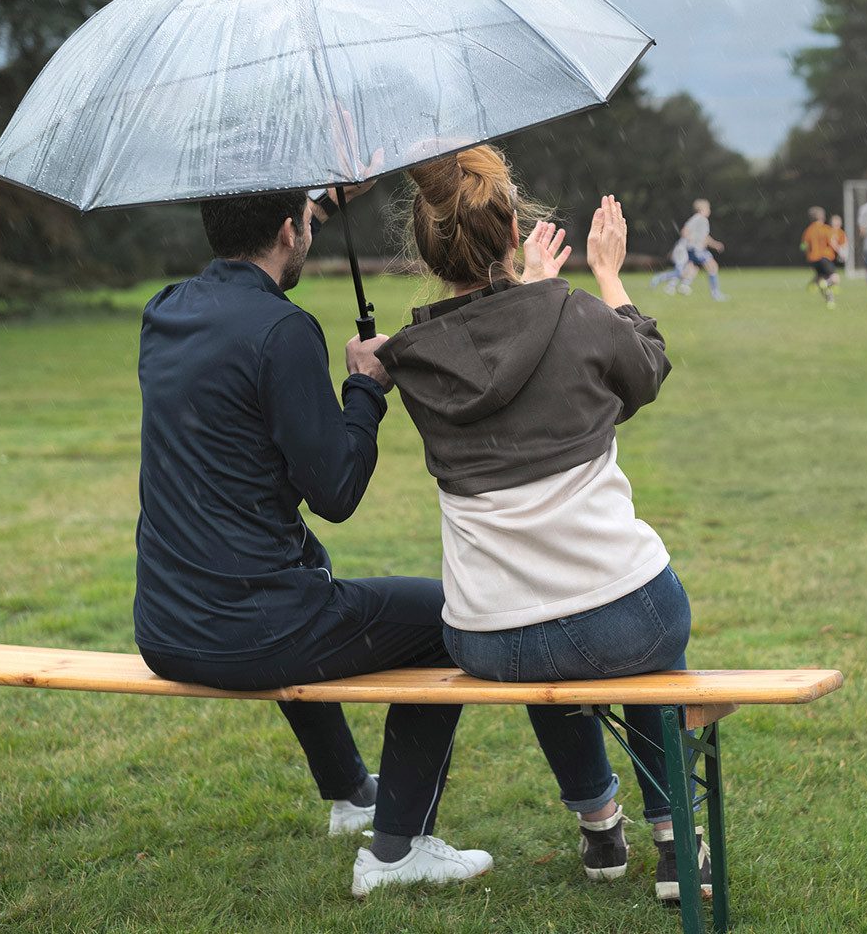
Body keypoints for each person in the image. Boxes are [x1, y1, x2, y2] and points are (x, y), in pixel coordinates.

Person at [134, 183, 493, 899]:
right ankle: (397, 851)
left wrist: (324, 201)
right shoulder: (284, 330)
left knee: (304, 568)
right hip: (247, 634)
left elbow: (262, 236)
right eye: (305, 220)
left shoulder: (166, 310)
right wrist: (365, 387)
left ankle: (352, 793)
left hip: (166, 626)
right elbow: (335, 490)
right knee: (450, 618)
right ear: (286, 231)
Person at [377, 146, 712, 902]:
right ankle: (673, 837)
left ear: (428, 252)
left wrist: (531, 295)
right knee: (643, 636)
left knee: (544, 637)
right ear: (513, 233)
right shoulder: (574, 313)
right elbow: (644, 371)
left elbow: (492, 355)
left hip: (491, 638)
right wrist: (606, 277)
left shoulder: (410, 361)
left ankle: (598, 823)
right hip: (626, 619)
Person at [680, 199, 729, 301]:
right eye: (708, 208)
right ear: (702, 209)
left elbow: (704, 236)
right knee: (713, 267)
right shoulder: (701, 219)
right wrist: (692, 240)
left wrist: (714, 244)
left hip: (692, 249)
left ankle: (683, 285)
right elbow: (684, 231)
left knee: (694, 268)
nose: (709, 210)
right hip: (697, 249)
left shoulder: (696, 219)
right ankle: (716, 294)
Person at [800, 206, 839, 307]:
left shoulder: (808, 230)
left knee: (821, 278)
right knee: (835, 278)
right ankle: (824, 283)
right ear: (823, 217)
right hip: (824, 258)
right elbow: (832, 243)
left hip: (813, 260)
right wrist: (840, 251)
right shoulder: (826, 229)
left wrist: (808, 254)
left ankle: (830, 301)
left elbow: (803, 246)